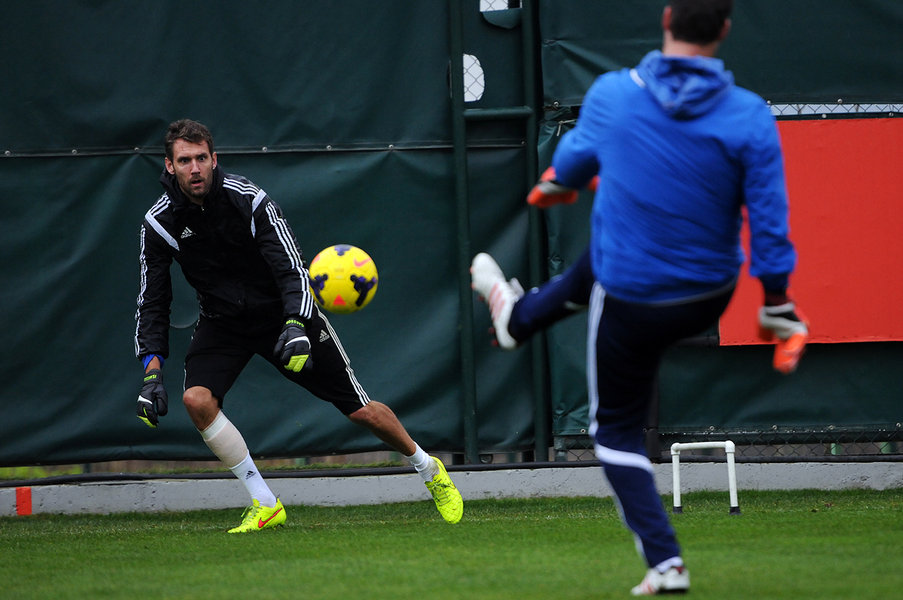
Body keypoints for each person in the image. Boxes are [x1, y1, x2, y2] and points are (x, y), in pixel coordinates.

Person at [472, 0, 808, 594]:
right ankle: (518, 320)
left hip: (633, 296)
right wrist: (777, 301)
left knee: (614, 434)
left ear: (667, 17)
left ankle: (666, 562)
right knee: (609, 245)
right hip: (707, 295)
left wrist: (557, 184)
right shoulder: (749, 114)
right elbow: (770, 220)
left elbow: (570, 165)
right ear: (725, 30)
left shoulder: (614, 94)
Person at [135, 119, 463, 532]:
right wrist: (152, 372)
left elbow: (291, 269)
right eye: (185, 161)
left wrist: (295, 324)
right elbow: (153, 300)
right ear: (170, 166)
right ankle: (264, 502)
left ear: (215, 159)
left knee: (361, 410)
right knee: (197, 401)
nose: (195, 168)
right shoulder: (159, 222)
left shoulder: (249, 200)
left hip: (282, 315)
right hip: (223, 322)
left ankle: (428, 468)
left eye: (202, 158)